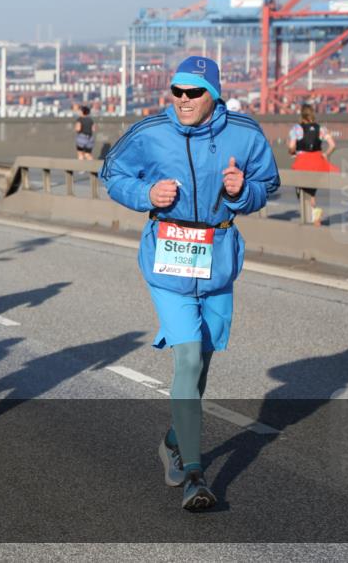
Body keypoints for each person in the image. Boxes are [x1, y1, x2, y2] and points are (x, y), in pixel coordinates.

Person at [100, 56, 279, 511]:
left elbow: (268, 183)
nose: (182, 100)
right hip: (167, 256)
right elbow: (112, 174)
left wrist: (242, 191)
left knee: (203, 359)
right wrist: (146, 195)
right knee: (187, 358)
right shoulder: (149, 132)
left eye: (193, 92)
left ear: (213, 94)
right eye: (176, 91)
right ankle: (195, 475)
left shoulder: (244, 132)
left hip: (217, 258)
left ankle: (174, 440)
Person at [288, 103, 338, 226]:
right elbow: (333, 145)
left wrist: (292, 151)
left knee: (300, 190)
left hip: (302, 161)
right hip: (317, 161)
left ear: (302, 115)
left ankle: (313, 213)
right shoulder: (321, 128)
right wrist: (325, 154)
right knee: (311, 191)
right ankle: (314, 216)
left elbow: (291, 147)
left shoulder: (296, 129)